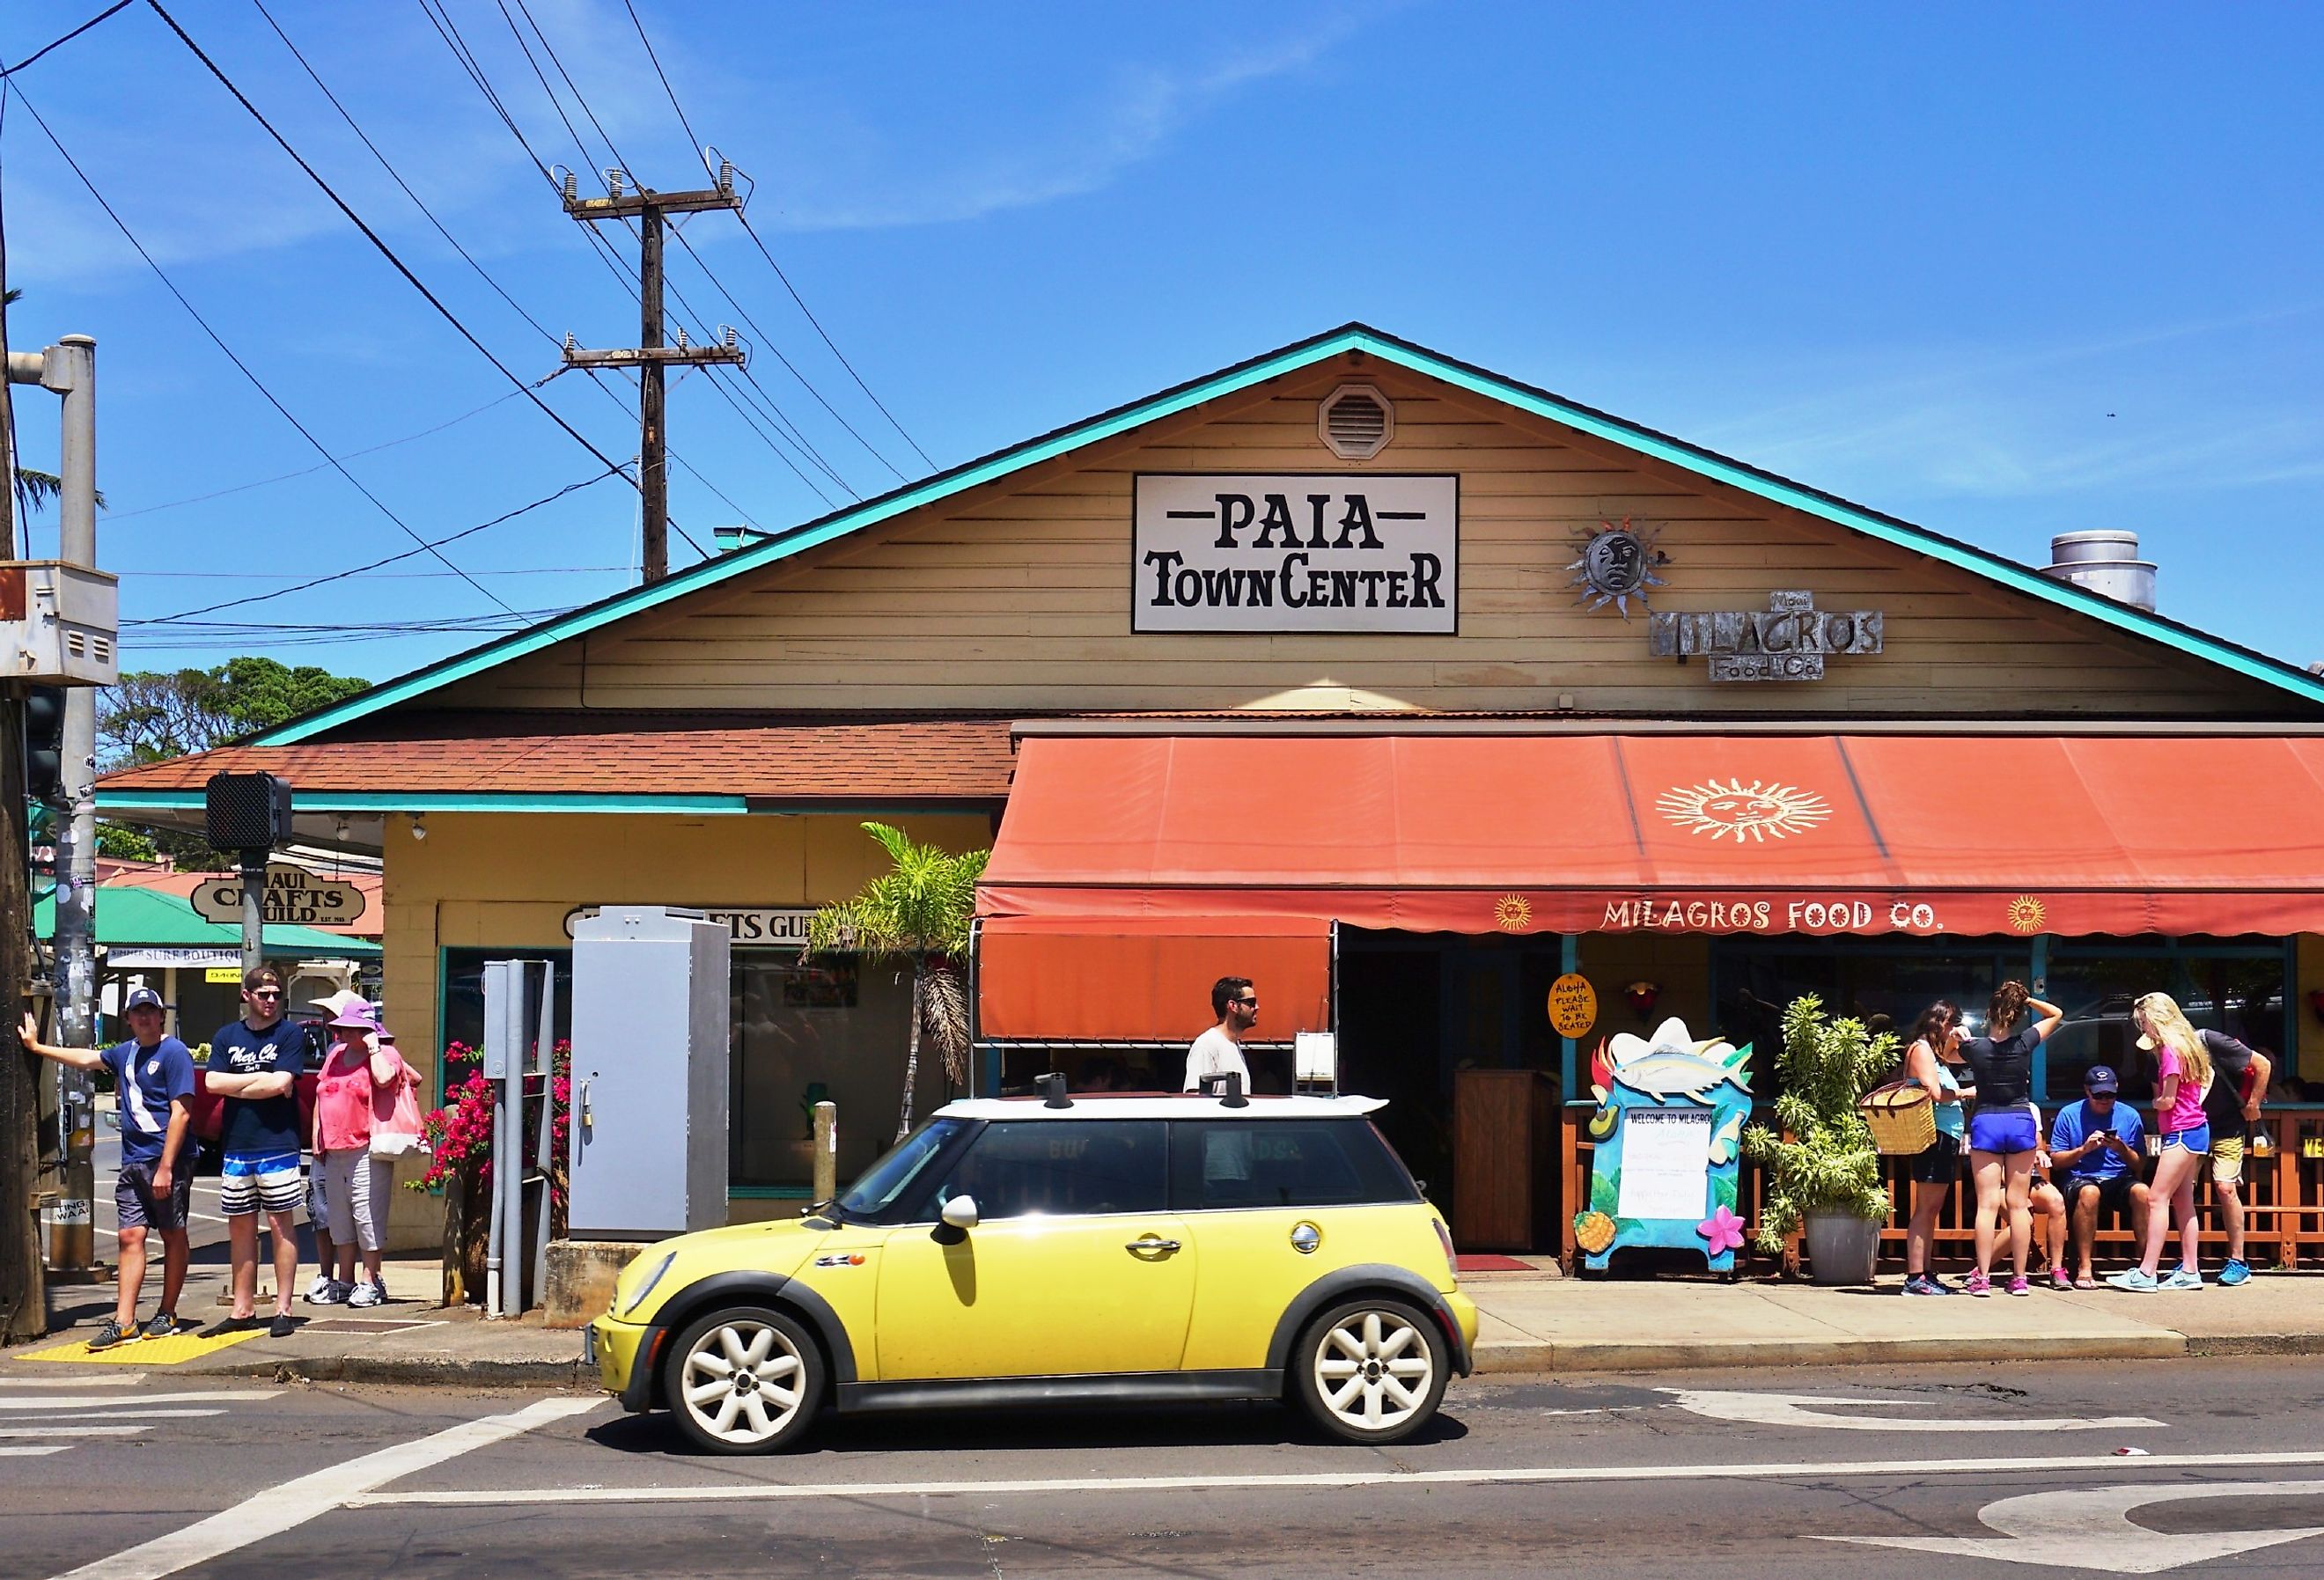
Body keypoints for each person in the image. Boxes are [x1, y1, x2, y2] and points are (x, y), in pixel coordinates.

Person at [18, 989, 195, 1349]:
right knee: (131, 1236)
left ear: (161, 1016)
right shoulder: (124, 1053)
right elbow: (86, 1059)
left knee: (172, 1233)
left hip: (165, 1160)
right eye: (137, 1012)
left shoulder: (174, 1052)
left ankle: (167, 1312)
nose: (144, 1018)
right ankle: (124, 1321)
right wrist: (38, 1048)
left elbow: (182, 1111)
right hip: (132, 1161)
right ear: (127, 1018)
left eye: (151, 1011)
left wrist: (165, 1167)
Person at [205, 965, 306, 1338]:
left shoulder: (290, 1034)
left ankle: (283, 1308)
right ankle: (242, 1308)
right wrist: (256, 1082)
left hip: (277, 1143)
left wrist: (238, 1085)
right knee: (241, 1228)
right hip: (237, 1146)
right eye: (263, 994)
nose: (270, 1000)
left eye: (276, 994)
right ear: (246, 996)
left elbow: (281, 1082)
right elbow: (212, 1081)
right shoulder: (226, 1036)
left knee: (281, 1225)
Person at [1957, 981, 2063, 1297]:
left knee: (1987, 1205)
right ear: (2017, 1015)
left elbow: (1947, 1053)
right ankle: (2019, 1278)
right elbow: (2056, 1013)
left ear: (1989, 1013)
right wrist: (2025, 999)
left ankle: (1983, 1278)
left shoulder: (1974, 1047)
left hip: (1987, 1119)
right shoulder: (2024, 1042)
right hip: (2019, 1121)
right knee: (2019, 1205)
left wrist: (1957, 1037)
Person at [2111, 992, 2217, 1292]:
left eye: (2145, 1022)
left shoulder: (2170, 1051)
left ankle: (2146, 1272)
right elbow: (2201, 1083)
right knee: (2184, 1203)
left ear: (2157, 1019)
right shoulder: (2190, 1046)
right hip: (2195, 1129)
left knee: (2156, 1199)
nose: (2144, 1029)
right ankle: (2190, 1270)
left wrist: (2155, 1102)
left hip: (2181, 1131)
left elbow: (2168, 1100)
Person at [311, 998, 410, 1307]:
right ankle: (345, 1280)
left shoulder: (385, 1054)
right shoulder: (336, 1054)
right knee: (339, 1219)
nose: (345, 1035)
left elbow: (384, 1079)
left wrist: (373, 1046)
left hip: (367, 1147)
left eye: (354, 1029)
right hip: (334, 1148)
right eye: (343, 1029)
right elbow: (321, 1091)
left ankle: (371, 1279)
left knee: (367, 1215)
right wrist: (317, 1137)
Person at [2173, 1011, 2271, 1288]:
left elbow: (2262, 1064)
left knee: (2226, 1188)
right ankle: (2188, 1262)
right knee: (2182, 1191)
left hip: (2228, 1126)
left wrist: (2253, 1104)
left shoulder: (2209, 1041)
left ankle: (2238, 1261)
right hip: (2191, 1128)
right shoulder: (2160, 1053)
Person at [2047, 1065, 2151, 1289]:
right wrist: (2084, 1149)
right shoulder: (2069, 1114)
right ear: (2087, 1091)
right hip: (2079, 1177)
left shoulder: (2130, 1115)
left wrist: (2122, 1148)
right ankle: (2085, 1267)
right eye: (2098, 1095)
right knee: (2090, 1192)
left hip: (2118, 1177)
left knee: (2143, 1192)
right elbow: (2056, 1162)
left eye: (2110, 1095)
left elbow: (2140, 1163)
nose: (2104, 1100)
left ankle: (2146, 1267)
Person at [1900, 1001, 1974, 1296]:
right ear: (1938, 1022)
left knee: (1932, 1208)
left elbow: (1957, 1058)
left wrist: (1960, 1040)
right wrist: (1968, 1092)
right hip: (1933, 1137)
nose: (1954, 1027)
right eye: (1952, 1022)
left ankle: (1925, 1273)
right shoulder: (1920, 1049)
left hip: (1945, 1137)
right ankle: (1915, 1276)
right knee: (1925, 1208)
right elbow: (1935, 1092)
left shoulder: (1935, 1052)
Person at [1184, 976, 1256, 1092]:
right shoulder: (1207, 1045)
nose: (1257, 1007)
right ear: (1233, 1006)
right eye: (1251, 1003)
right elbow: (1194, 1098)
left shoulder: (1233, 1044)